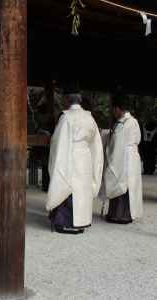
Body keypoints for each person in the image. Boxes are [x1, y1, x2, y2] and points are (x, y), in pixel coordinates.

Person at [46, 86, 103, 234]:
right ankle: (81, 222)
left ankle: (65, 222)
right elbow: (96, 144)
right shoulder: (90, 118)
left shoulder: (66, 118)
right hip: (85, 157)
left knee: (67, 186)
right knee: (82, 190)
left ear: (66, 100)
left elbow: (58, 142)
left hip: (69, 155)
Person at [103, 98, 143, 224]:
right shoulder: (133, 122)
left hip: (123, 156)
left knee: (120, 182)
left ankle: (119, 215)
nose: (113, 113)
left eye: (113, 109)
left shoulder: (123, 124)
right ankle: (126, 214)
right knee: (127, 185)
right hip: (132, 156)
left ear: (118, 109)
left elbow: (116, 142)